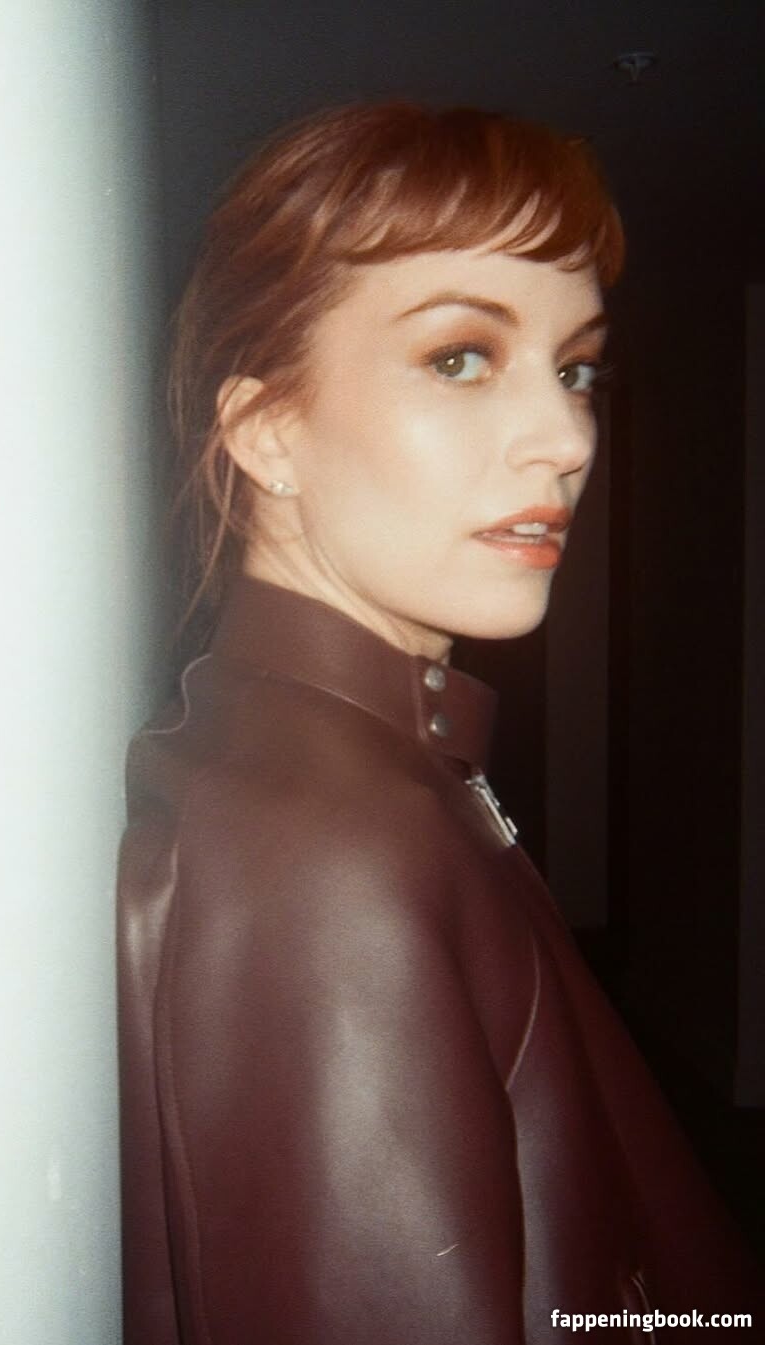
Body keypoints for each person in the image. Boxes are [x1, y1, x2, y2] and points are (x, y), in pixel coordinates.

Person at [116, 102, 763, 1344]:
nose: (566, 437)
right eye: (461, 356)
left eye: (576, 368)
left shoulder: (368, 765)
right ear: (268, 431)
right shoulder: (326, 856)